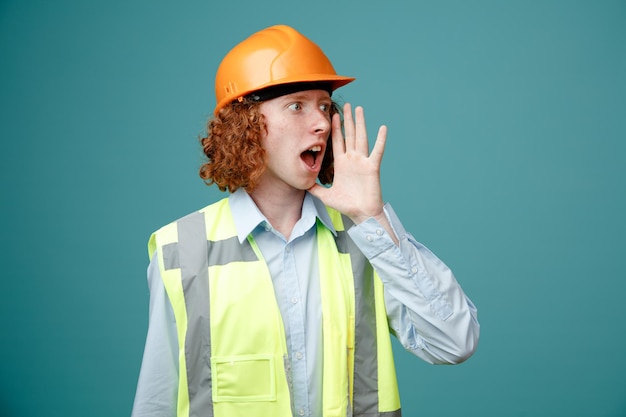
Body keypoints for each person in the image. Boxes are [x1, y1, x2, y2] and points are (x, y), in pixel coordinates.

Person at [131, 24, 479, 417]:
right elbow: (157, 400)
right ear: (245, 126)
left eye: (325, 106)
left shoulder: (366, 238)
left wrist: (372, 216)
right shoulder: (181, 250)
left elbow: (454, 342)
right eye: (297, 105)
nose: (322, 124)